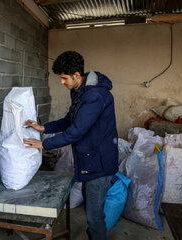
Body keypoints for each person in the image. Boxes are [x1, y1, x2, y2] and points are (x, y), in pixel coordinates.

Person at [23, 51, 118, 240]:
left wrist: (43, 144)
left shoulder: (95, 96)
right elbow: (69, 120)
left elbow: (76, 131)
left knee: (94, 215)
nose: (62, 82)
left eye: (64, 78)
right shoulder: (80, 92)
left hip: (99, 163)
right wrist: (43, 127)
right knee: (91, 210)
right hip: (89, 160)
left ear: (77, 75)